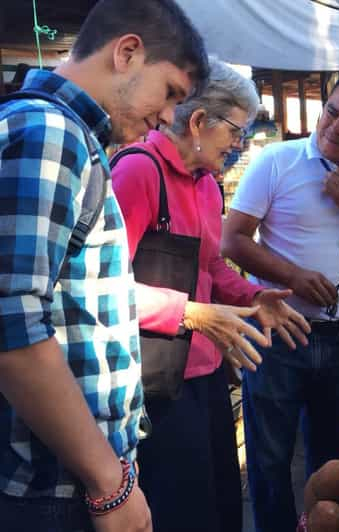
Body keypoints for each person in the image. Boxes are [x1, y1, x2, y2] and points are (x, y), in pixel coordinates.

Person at [0, 1, 209, 531]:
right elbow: (13, 328)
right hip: (52, 488)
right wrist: (109, 485)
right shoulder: (51, 133)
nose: (168, 118)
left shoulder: (59, 133)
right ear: (128, 52)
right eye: (170, 94)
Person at [111, 59, 310, 532]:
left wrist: (252, 297)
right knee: (179, 509)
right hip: (153, 383)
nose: (240, 145)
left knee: (220, 502)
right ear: (200, 122)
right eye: (237, 132)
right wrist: (193, 314)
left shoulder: (205, 185)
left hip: (205, 374)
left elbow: (212, 264)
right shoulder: (138, 173)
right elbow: (102, 290)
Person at [222, 66, 339, 532]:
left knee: (333, 459)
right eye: (331, 112)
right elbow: (234, 240)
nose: (334, 127)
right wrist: (294, 277)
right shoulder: (277, 161)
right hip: (278, 334)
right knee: (269, 459)